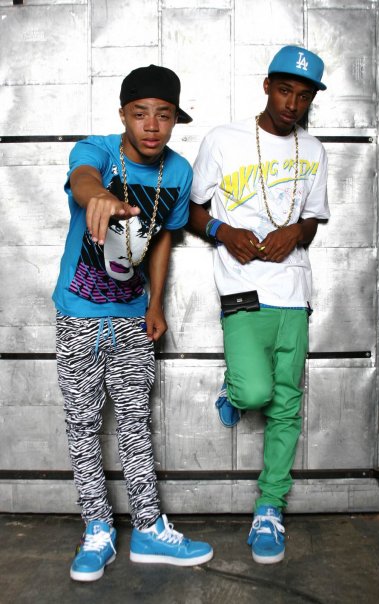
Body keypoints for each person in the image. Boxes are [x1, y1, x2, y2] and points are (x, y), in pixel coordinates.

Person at [53, 64, 213, 582]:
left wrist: (156, 304)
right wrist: (96, 195)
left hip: (131, 316)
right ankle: (97, 529)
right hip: (79, 311)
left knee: (135, 422)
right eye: (140, 113)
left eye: (163, 115)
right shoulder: (98, 151)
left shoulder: (178, 172)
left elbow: (164, 238)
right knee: (82, 424)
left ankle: (147, 528)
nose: (151, 125)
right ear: (123, 114)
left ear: (175, 120)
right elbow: (83, 178)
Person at [188, 46, 330, 564]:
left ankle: (270, 508)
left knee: (286, 403)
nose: (293, 104)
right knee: (256, 392)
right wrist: (224, 231)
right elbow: (191, 210)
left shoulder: (314, 150)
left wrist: (298, 231)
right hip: (243, 288)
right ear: (267, 86)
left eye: (304, 96)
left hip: (294, 292)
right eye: (285, 90)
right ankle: (235, 390)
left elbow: (313, 218)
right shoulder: (223, 140)